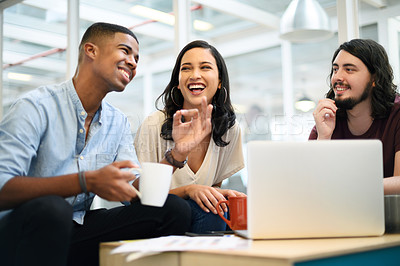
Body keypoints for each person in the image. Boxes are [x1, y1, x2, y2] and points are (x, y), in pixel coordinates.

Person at [0, 22, 215, 266]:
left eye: (137, 58)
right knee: (53, 209)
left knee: (173, 209)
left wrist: (177, 154)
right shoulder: (35, 107)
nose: (133, 62)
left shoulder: (117, 122)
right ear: (91, 51)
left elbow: (136, 192)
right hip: (20, 232)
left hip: (76, 230)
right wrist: (86, 181)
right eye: (125, 51)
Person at [134, 40, 245, 233]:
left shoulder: (229, 129)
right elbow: (136, 195)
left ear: (219, 81)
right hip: (154, 214)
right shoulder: (154, 124)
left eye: (205, 67)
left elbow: (211, 189)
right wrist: (188, 191)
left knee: (231, 209)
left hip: (198, 216)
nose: (195, 75)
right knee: (210, 212)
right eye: (186, 68)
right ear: (178, 82)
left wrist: (219, 193)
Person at [309, 38, 400, 195]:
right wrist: (323, 138)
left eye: (349, 69)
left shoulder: (397, 114)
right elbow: (310, 183)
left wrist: (350, 186)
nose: (337, 77)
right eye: (335, 69)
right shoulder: (327, 119)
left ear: (374, 78)